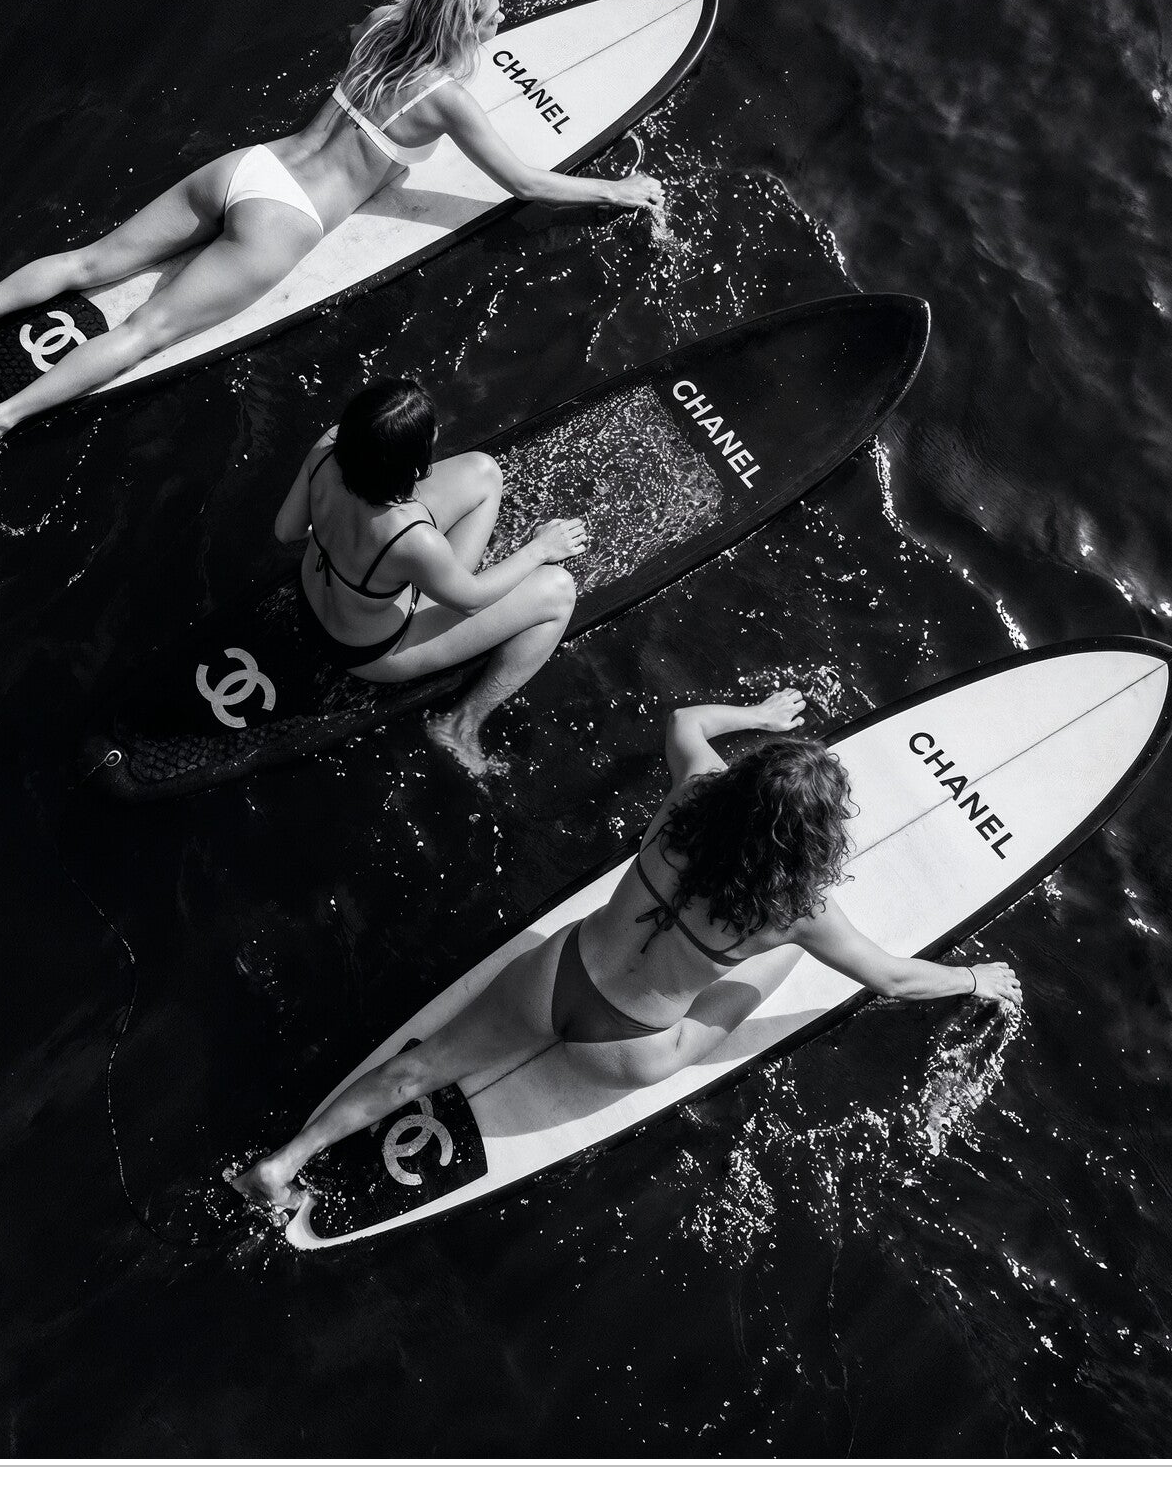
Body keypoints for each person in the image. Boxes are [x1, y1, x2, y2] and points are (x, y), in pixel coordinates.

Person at [227, 691, 1023, 1212]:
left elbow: (681, 719)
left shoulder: (692, 791)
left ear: (743, 785)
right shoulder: (795, 911)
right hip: (629, 1050)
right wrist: (974, 976)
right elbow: (887, 975)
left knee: (416, 1069)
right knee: (774, 964)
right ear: (810, 838)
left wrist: (757, 712)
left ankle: (284, 1160)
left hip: (555, 977)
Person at [0, 0, 665, 481]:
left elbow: (386, 53)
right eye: (492, 12)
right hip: (286, 221)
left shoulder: (378, 29)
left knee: (89, 261)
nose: (504, 14)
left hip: (248, 168)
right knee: (145, 332)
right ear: (464, 29)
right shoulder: (446, 99)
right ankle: (0, 418)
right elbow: (525, 181)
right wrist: (615, 189)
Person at [279, 374, 584, 778]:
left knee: (484, 470)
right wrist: (540, 549)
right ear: (413, 463)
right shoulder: (412, 539)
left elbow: (287, 531)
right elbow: (471, 600)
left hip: (313, 594)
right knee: (559, 593)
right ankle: (461, 725)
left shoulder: (328, 445)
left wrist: (341, 533)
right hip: (367, 651)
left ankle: (428, 580)